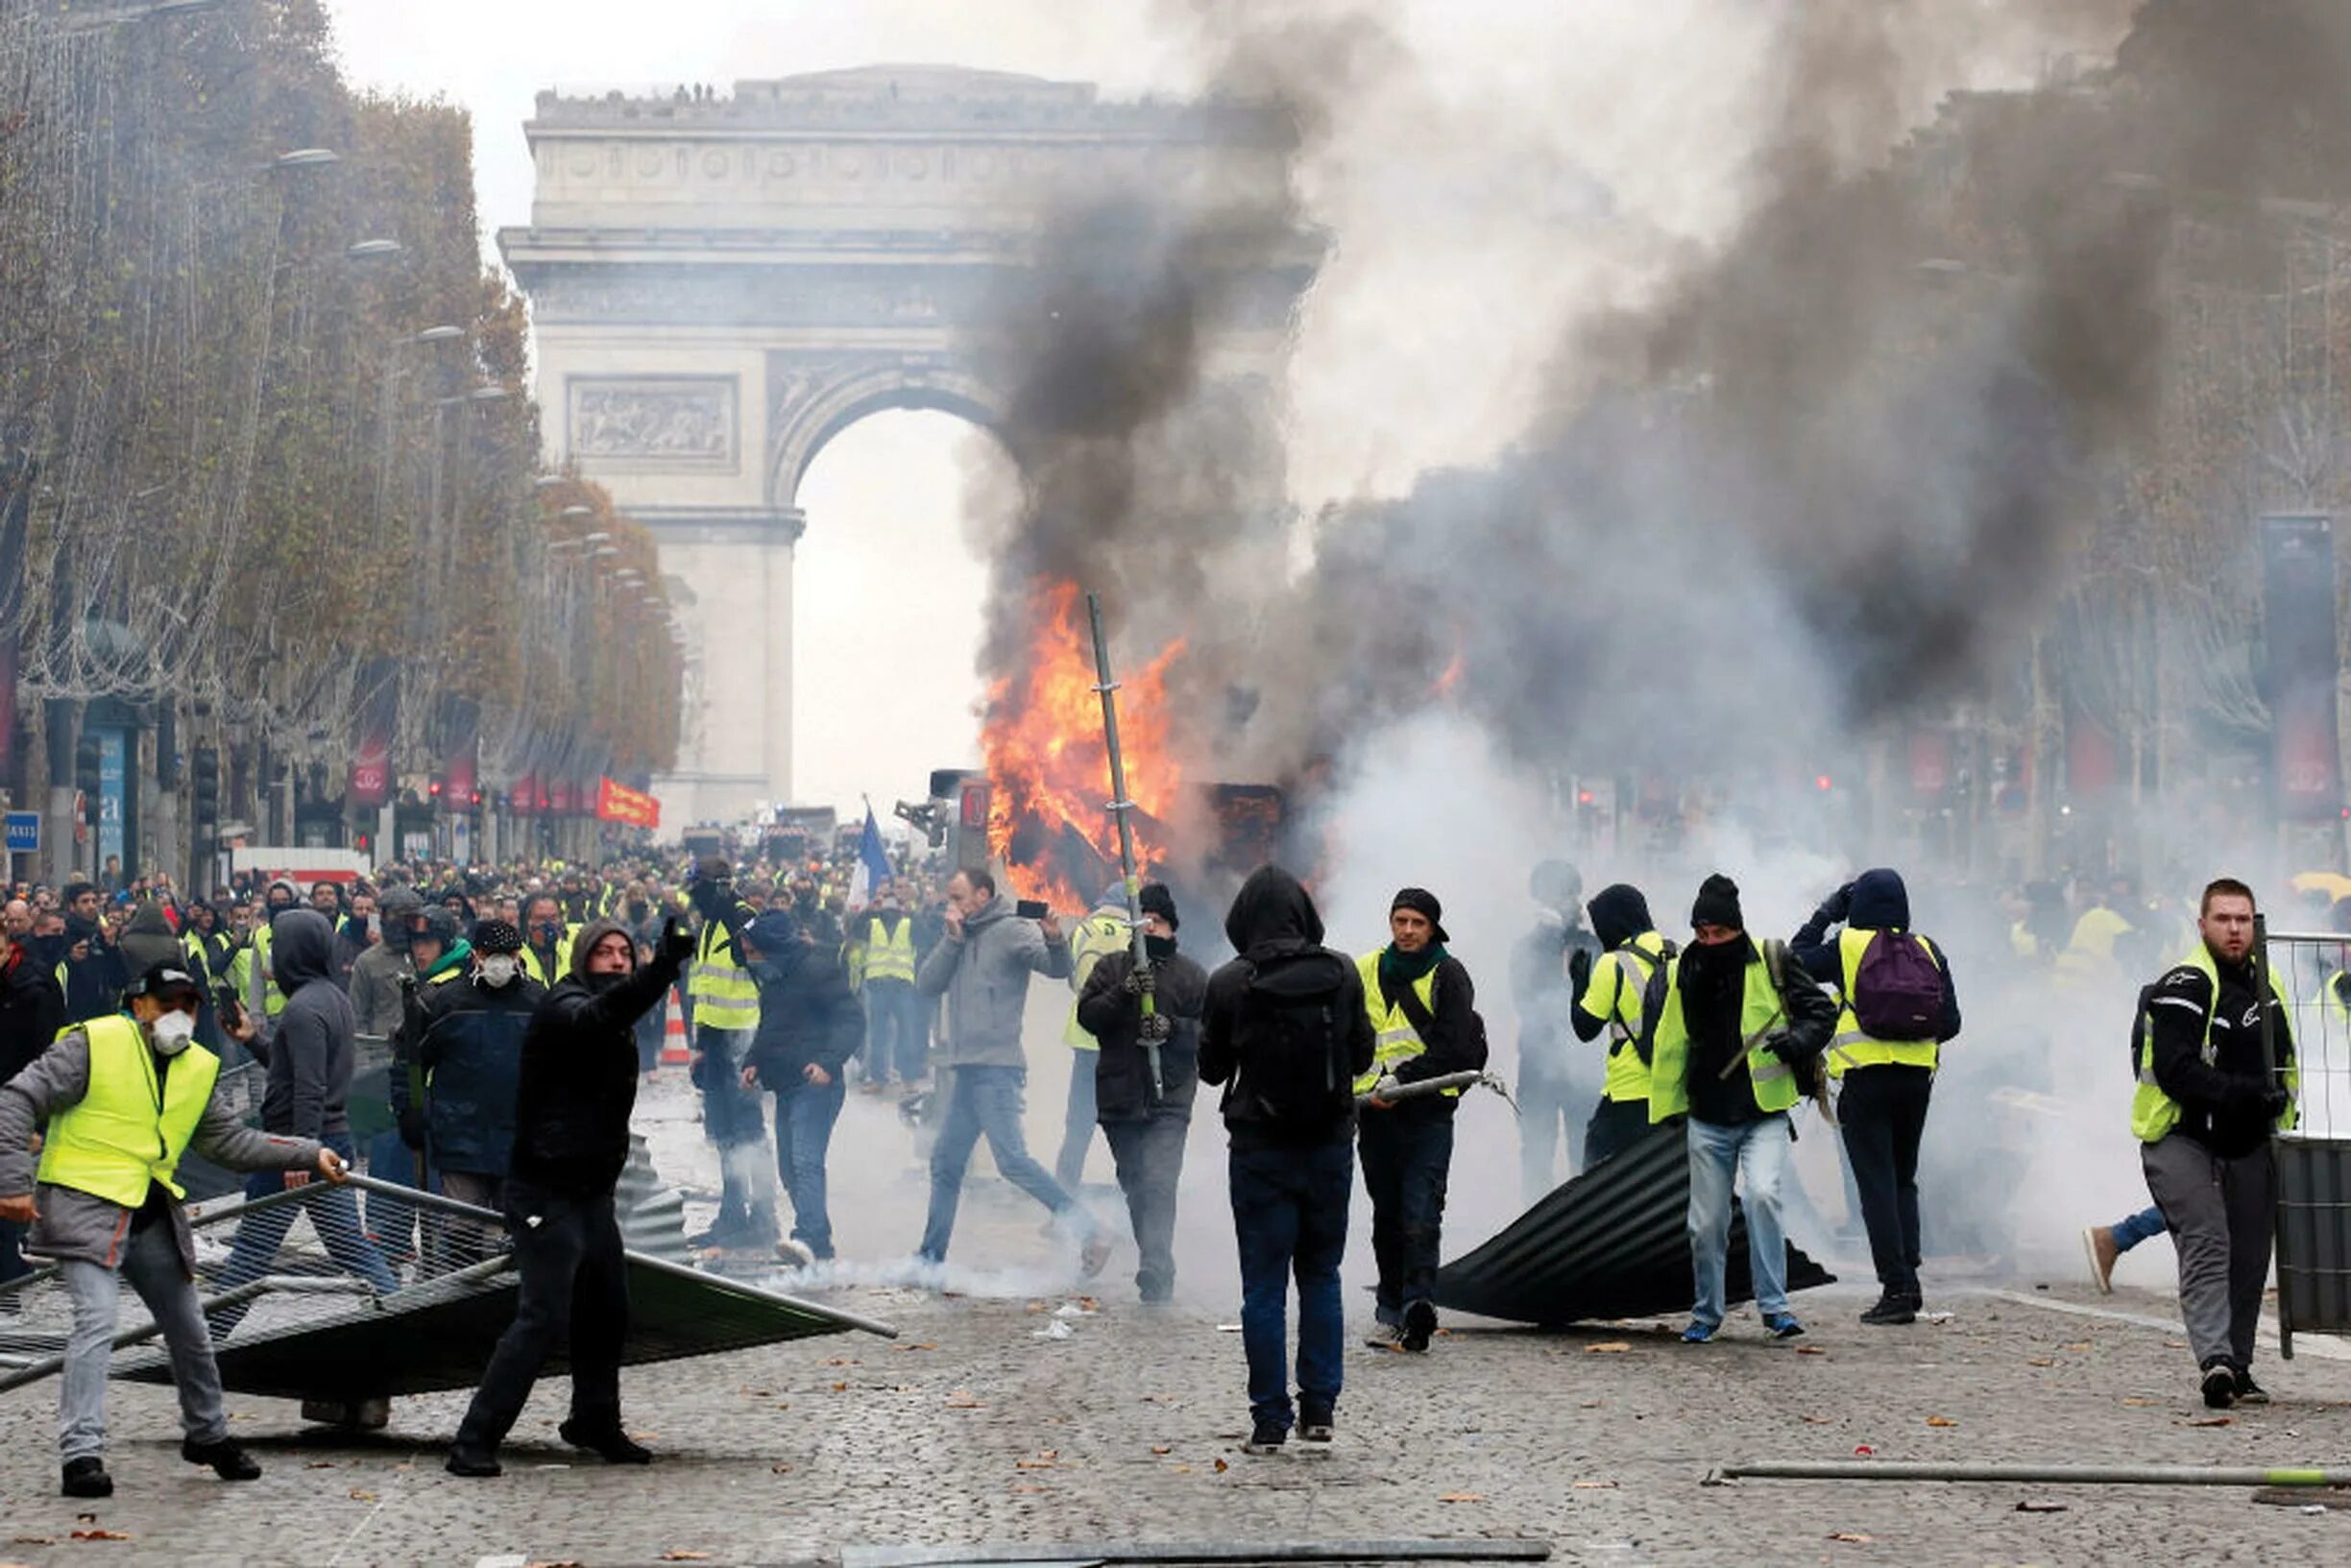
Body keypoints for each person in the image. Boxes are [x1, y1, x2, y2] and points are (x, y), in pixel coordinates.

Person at [0, 961, 348, 1498]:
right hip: (82, 1203)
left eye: (189, 1006)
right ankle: (81, 1454)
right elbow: (16, 1099)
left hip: (150, 1210)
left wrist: (309, 1151)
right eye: (168, 1005)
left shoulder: (198, 1065)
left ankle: (207, 1435)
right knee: (98, 1320)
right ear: (138, 1005)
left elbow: (230, 1143)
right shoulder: (93, 1043)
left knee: (190, 1327)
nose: (179, 1017)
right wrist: (12, 1182)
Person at [446, 916, 694, 1476]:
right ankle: (473, 1442)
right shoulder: (566, 1007)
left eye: (623, 953)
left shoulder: (614, 1015)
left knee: (607, 1309)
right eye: (604, 953)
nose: (615, 961)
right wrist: (662, 970)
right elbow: (604, 1014)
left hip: (589, 1193)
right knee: (543, 1315)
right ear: (583, 959)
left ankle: (594, 1421)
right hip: (544, 1190)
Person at [1199, 867, 1374, 1454]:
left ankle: (1269, 1420)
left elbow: (1211, 1070)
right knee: (1322, 1276)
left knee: (1264, 1288)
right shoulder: (1342, 972)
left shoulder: (1228, 981)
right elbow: (1361, 1057)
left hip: (1259, 1151)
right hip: (1328, 1145)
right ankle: (1320, 1409)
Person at [1648, 875, 1836, 1344]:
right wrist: (1667, 1105)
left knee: (1763, 1196)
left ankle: (1775, 1308)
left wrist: (1796, 1044)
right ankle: (1706, 1313)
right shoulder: (1680, 971)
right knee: (1706, 1223)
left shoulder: (1773, 959)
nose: (1710, 942)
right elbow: (1669, 1041)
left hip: (1764, 1113)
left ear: (1737, 929)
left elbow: (1821, 1011)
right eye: (1702, 933)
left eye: (1719, 933)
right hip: (1706, 1116)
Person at [2133, 878, 2297, 1410]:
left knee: (2251, 1258)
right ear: (2202, 924)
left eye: (2243, 919)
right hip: (2180, 1136)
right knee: (2208, 1240)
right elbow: (2176, 1071)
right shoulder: (2186, 982)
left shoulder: (2266, 985)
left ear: (2255, 925)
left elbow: (2285, 1066)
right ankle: (2215, 1362)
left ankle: (2240, 1366)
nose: (2234, 929)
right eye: (2223, 919)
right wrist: (2248, 1095)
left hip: (2247, 1142)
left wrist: (2281, 1114)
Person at [207, 909, 400, 1339]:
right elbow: (290, 1067)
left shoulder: (302, 1008)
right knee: (348, 1244)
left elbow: (310, 1086)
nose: (273, 952)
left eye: (279, 943)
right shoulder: (332, 997)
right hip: (327, 1138)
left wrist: (301, 1149)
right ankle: (398, 1306)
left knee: (252, 1250)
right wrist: (251, 1040)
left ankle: (204, 1338)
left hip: (293, 1145)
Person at [911, 869, 1107, 1272]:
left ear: (982, 894)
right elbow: (926, 985)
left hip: (997, 1070)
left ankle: (1090, 1230)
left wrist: (1054, 937)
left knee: (1012, 1161)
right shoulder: (959, 935)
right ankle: (930, 1260)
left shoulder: (1012, 929)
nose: (952, 905)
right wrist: (951, 941)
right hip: (966, 1070)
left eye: (958, 896)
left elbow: (1056, 968)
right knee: (946, 1163)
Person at [1791, 867, 1961, 1326]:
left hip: (1865, 1080)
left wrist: (1826, 913)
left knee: (1876, 1184)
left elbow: (1793, 960)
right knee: (1904, 1179)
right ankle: (1911, 1274)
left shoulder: (1848, 946)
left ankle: (1896, 1288)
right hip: (1916, 1080)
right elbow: (1951, 1022)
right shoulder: (1928, 948)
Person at [1355, 887, 1486, 1354]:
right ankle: (1390, 1305)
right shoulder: (1366, 968)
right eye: (1400, 921)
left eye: (1417, 923)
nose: (1407, 931)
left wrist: (1403, 1081)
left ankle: (1418, 1305)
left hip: (1427, 1112)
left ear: (1432, 928)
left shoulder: (1449, 975)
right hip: (1375, 1115)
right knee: (1387, 1213)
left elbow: (1453, 1046)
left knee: (1421, 1212)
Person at [1077, 882, 1207, 1305]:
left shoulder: (1191, 975)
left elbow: (1213, 1034)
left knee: (1160, 1179)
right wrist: (1124, 992)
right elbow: (1089, 1017)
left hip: (1170, 1094)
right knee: (1135, 1182)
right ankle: (1153, 1254)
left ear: (1172, 928)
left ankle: (1156, 1263)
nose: (1150, 930)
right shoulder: (1112, 968)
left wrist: (1174, 1029)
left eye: (1159, 923)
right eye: (1144, 922)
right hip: (1121, 1096)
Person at [410, 920, 545, 1265]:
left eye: (506, 954)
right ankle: (463, 1302)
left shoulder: (539, 1002)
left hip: (520, 1140)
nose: (499, 962)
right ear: (476, 955)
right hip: (460, 1138)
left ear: (518, 955)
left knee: (521, 1232)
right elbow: (410, 1062)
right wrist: (410, 1111)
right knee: (461, 1231)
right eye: (490, 954)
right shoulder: (446, 1001)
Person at [739, 907, 862, 1265]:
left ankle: (808, 1237)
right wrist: (752, 1062)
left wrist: (828, 1062)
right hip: (785, 1084)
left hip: (816, 1085)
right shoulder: (776, 978)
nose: (748, 958)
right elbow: (771, 1027)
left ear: (770, 947)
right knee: (790, 1168)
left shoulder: (818, 971)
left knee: (807, 1162)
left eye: (752, 950)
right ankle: (819, 1245)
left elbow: (852, 1020)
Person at [686, 857, 775, 1249]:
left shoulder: (745, 920)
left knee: (749, 1133)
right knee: (723, 1134)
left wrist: (758, 1050)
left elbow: (769, 979)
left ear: (718, 886)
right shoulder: (709, 925)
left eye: (698, 887)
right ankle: (731, 1215)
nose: (693, 895)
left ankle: (763, 1218)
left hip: (744, 1041)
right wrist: (702, 1047)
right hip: (717, 1045)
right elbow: (706, 990)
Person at [1511, 861, 1601, 1201]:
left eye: (1571, 894)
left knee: (1585, 1154)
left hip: (1584, 1066)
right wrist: (1547, 943)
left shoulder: (1594, 945)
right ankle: (1536, 1230)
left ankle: (1586, 1225)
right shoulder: (1527, 949)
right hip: (1538, 1066)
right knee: (1536, 1152)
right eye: (1559, 895)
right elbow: (1524, 998)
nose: (1569, 903)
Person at [1571, 882, 1673, 1171]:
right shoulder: (1679, 953)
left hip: (1628, 1093)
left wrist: (1578, 984)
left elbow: (1585, 1028)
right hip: (1676, 1092)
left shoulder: (1612, 963)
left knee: (1596, 1176)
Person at [0, 915, 65, 1290]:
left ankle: (12, 1287)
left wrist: (39, 1122)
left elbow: (49, 1055)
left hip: (20, 1105)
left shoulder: (33, 985)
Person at [1055, 885, 1132, 1191]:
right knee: (1127, 1127)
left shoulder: (1083, 930)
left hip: (1086, 1040)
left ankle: (1062, 1201)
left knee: (1078, 1126)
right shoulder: (1136, 935)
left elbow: (1072, 979)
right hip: (1122, 1044)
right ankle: (1134, 1207)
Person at [854, 882, 927, 1092]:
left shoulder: (909, 922)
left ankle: (909, 1079)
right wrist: (869, 908)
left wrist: (910, 910)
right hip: (877, 985)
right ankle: (878, 1079)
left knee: (907, 1034)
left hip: (902, 985)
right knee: (878, 1035)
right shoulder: (873, 923)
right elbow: (856, 931)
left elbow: (925, 937)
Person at [55, 880, 129, 1026]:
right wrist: (69, 959)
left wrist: (112, 948)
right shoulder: (62, 933)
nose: (91, 906)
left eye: (94, 901)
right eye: (85, 901)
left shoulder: (102, 933)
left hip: (102, 1015)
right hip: (73, 1016)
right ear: (72, 906)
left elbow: (120, 979)